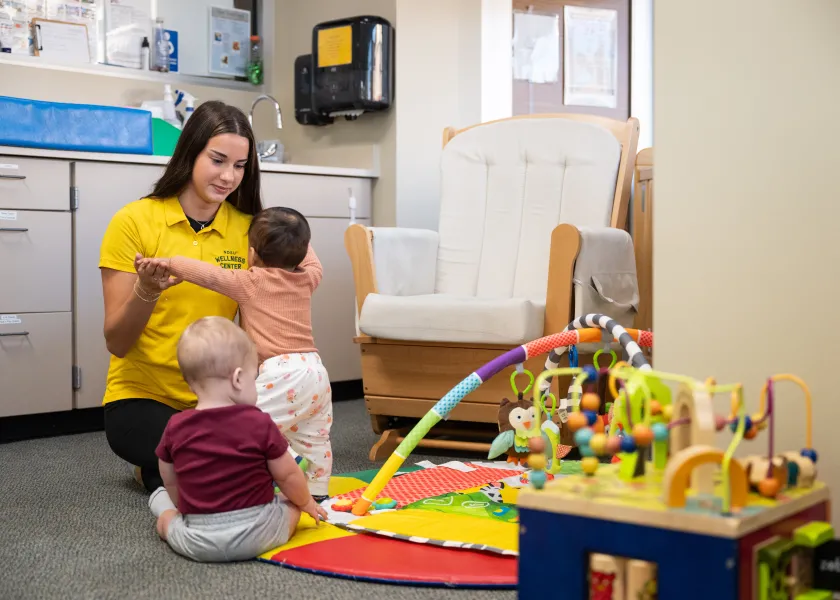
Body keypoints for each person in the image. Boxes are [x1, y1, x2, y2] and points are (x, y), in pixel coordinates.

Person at [99, 100, 262, 492]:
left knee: (260, 456)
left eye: (240, 166)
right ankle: (180, 465)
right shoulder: (133, 221)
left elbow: (258, 330)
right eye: (218, 160)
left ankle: (164, 471)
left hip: (220, 395)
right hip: (144, 397)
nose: (228, 177)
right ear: (190, 153)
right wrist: (146, 291)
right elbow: (117, 342)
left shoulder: (251, 231)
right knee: (219, 460)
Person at [137, 207, 333, 499]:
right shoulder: (308, 278)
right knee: (314, 435)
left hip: (281, 372)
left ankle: (288, 460)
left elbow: (210, 276)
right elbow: (313, 260)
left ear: (252, 254)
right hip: (315, 371)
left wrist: (169, 262)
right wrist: (296, 238)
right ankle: (316, 490)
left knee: (244, 423)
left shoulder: (250, 282)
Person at [148, 317, 328, 563]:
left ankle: (159, 503)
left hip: (197, 541)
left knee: (166, 521)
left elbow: (169, 477)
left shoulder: (175, 427)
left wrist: (182, 508)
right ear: (238, 379)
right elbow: (288, 475)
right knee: (291, 501)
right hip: (260, 534)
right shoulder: (259, 422)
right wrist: (306, 502)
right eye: (255, 378)